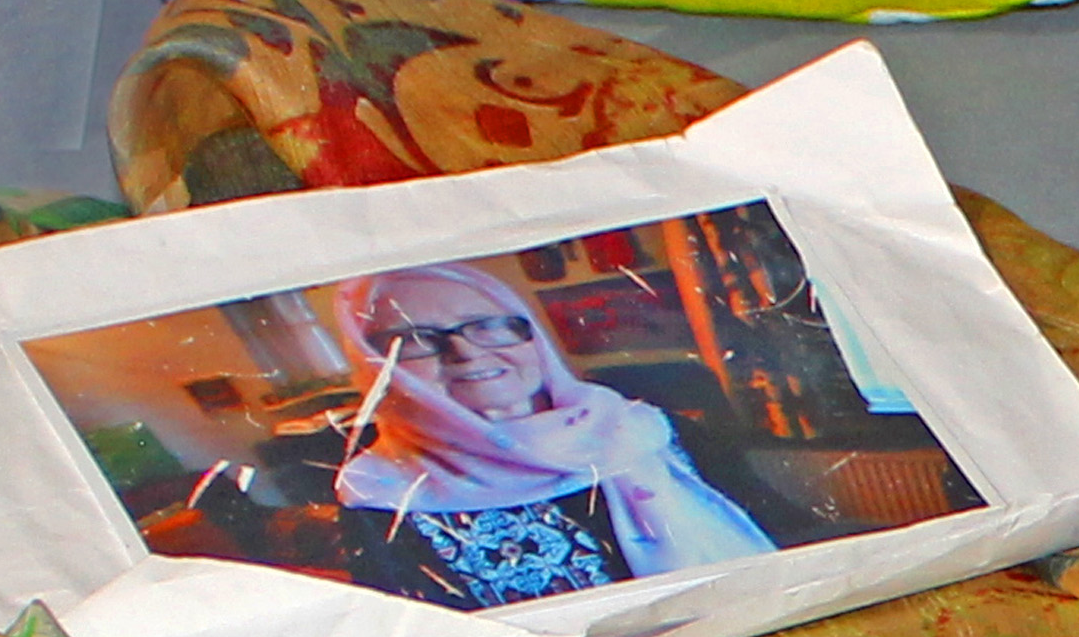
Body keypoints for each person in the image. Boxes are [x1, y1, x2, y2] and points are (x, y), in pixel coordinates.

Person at [328, 261, 776, 610]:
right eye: (415, 338)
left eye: (487, 325)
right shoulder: (381, 496)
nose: (465, 352)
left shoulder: (648, 430)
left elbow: (781, 537)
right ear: (374, 366)